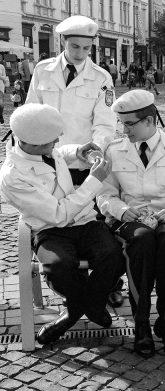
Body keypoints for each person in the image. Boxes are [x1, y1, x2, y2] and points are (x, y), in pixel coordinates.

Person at [0, 104, 124, 345]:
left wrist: (80, 151)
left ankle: (75, 311)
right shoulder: (13, 176)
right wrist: (93, 182)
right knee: (58, 266)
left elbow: (59, 154)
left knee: (114, 254)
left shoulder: (38, 147)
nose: (57, 140)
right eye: (51, 140)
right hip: (50, 229)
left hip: (84, 222)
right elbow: (58, 215)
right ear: (32, 143)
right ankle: (87, 307)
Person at [26, 15, 123, 307]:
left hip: (84, 164)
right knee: (54, 223)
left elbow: (106, 122)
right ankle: (68, 279)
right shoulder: (43, 71)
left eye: (86, 48)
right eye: (75, 46)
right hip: (49, 163)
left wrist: (97, 148)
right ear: (62, 42)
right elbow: (31, 113)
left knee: (96, 228)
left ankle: (108, 284)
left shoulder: (101, 78)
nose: (80, 53)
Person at [97, 90, 165, 359]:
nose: (123, 129)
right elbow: (105, 194)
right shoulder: (113, 150)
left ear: (150, 120)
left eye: (129, 123)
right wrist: (122, 210)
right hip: (131, 220)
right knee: (141, 239)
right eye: (121, 122)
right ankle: (141, 323)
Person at [0, 57, 7, 124]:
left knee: (1, 103)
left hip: (0, 87)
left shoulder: (1, 66)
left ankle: (0, 114)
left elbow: (4, 77)